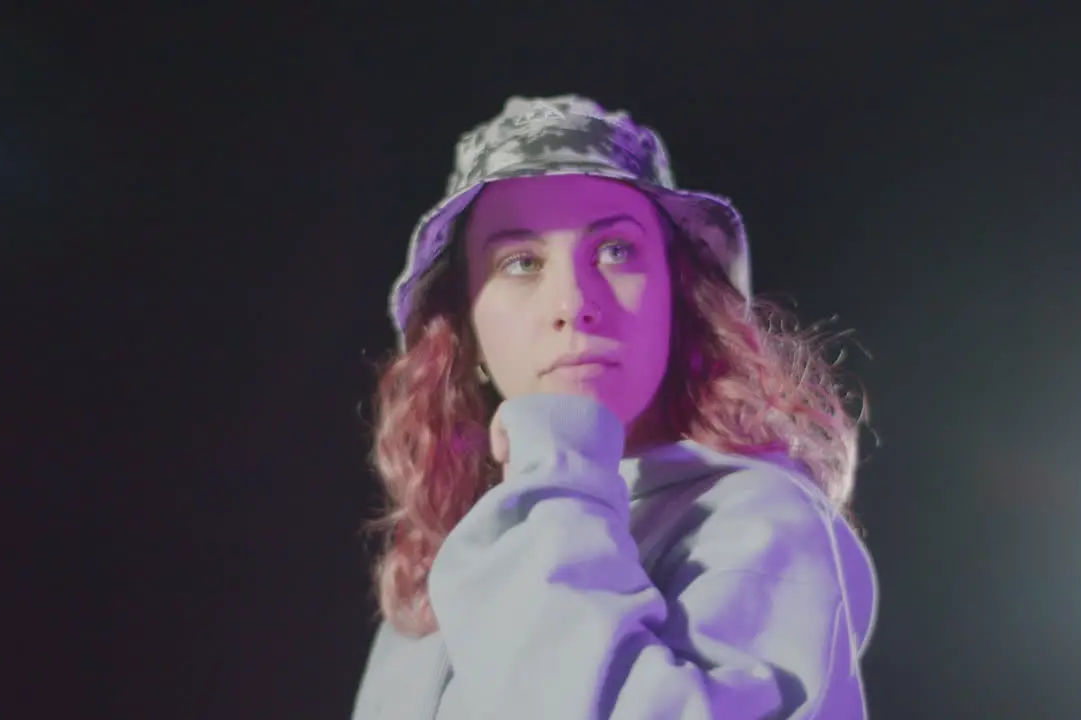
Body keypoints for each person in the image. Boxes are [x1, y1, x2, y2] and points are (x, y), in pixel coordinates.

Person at [351, 95, 879, 719]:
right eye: (520, 262)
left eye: (615, 251)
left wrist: (557, 457)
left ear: (678, 300)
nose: (574, 301)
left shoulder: (759, 520)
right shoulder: (433, 587)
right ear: (465, 334)